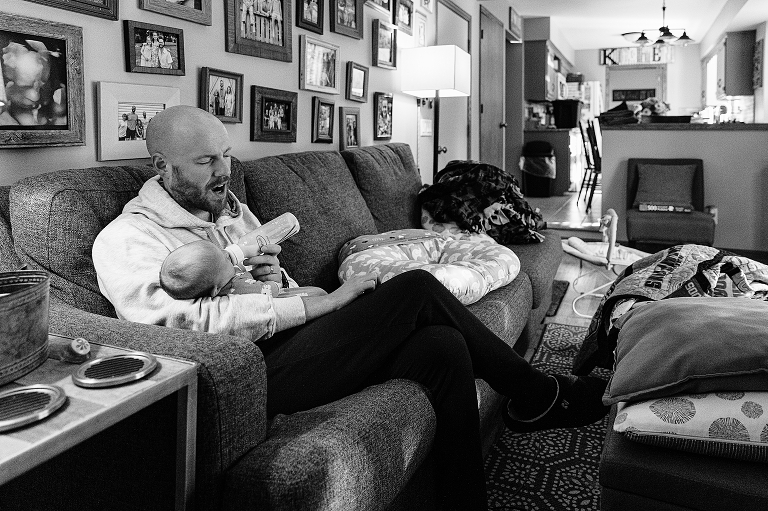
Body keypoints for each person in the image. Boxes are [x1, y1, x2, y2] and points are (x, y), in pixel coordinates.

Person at [92, 105, 609, 511]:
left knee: (442, 344)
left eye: (225, 155)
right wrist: (329, 301)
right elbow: (177, 325)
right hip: (246, 374)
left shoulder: (230, 211)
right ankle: (539, 393)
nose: (223, 171)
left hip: (292, 339)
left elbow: (280, 287)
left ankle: (463, 501)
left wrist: (284, 287)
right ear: (161, 166)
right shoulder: (128, 238)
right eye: (206, 161)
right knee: (413, 289)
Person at [160, 239, 326, 299]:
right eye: (225, 259)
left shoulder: (224, 284)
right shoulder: (237, 287)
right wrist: (276, 284)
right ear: (215, 289)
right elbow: (270, 291)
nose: (227, 254)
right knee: (319, 293)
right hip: (283, 302)